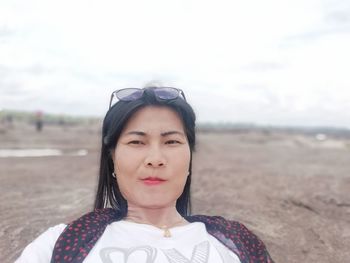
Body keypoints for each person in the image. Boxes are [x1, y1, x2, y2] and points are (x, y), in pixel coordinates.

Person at [16, 86, 274, 263]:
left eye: (171, 142)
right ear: (112, 158)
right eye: (136, 142)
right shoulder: (60, 244)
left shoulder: (237, 244)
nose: (155, 159)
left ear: (190, 158)